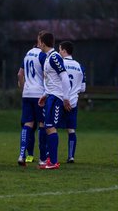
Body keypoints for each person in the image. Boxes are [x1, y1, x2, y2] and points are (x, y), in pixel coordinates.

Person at [38, 31, 71, 169]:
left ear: (43, 43)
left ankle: (53, 162)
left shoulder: (54, 57)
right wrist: (45, 94)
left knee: (51, 128)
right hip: (51, 96)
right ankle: (50, 160)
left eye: (39, 41)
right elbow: (52, 80)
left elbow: (64, 76)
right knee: (48, 127)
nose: (38, 44)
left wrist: (66, 98)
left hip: (57, 97)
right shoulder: (48, 57)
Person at [17, 32, 47, 166]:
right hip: (39, 94)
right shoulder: (42, 55)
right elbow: (46, 75)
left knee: (27, 124)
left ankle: (21, 155)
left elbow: (20, 74)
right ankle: (42, 158)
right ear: (41, 42)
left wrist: (24, 89)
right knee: (42, 124)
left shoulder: (28, 53)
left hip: (27, 93)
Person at [58, 41, 86, 163]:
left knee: (51, 128)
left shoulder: (59, 64)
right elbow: (83, 88)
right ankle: (71, 156)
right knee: (71, 130)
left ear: (64, 51)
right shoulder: (80, 66)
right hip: (73, 102)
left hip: (59, 100)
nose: (58, 52)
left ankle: (49, 155)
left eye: (59, 49)